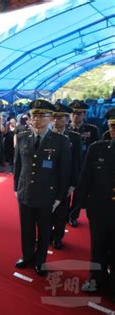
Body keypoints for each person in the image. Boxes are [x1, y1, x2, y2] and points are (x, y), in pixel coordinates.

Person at [14, 99, 71, 277]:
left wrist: (59, 197)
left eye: (41, 115)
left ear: (50, 117)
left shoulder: (60, 141)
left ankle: (40, 261)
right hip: (25, 192)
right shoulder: (23, 136)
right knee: (26, 227)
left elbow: (64, 171)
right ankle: (27, 256)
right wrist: (17, 188)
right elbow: (18, 165)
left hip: (47, 194)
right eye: (33, 115)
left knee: (44, 229)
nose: (36, 119)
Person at [77, 107, 115, 302]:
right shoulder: (97, 148)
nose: (114, 129)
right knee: (98, 247)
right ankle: (96, 279)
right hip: (99, 209)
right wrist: (79, 205)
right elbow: (86, 178)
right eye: (112, 125)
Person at [50, 103, 82, 249]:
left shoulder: (74, 137)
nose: (56, 121)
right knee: (46, 211)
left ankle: (58, 237)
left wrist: (73, 184)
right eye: (54, 117)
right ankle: (47, 235)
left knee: (61, 212)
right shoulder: (47, 135)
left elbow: (77, 162)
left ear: (67, 119)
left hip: (65, 181)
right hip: (48, 180)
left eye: (60, 118)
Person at [67, 100, 100, 227]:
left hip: (84, 167)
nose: (76, 116)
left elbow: (96, 149)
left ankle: (73, 215)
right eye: (73, 113)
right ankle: (63, 214)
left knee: (79, 195)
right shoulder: (65, 129)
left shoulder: (92, 129)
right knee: (65, 193)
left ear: (84, 115)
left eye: (79, 114)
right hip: (68, 167)